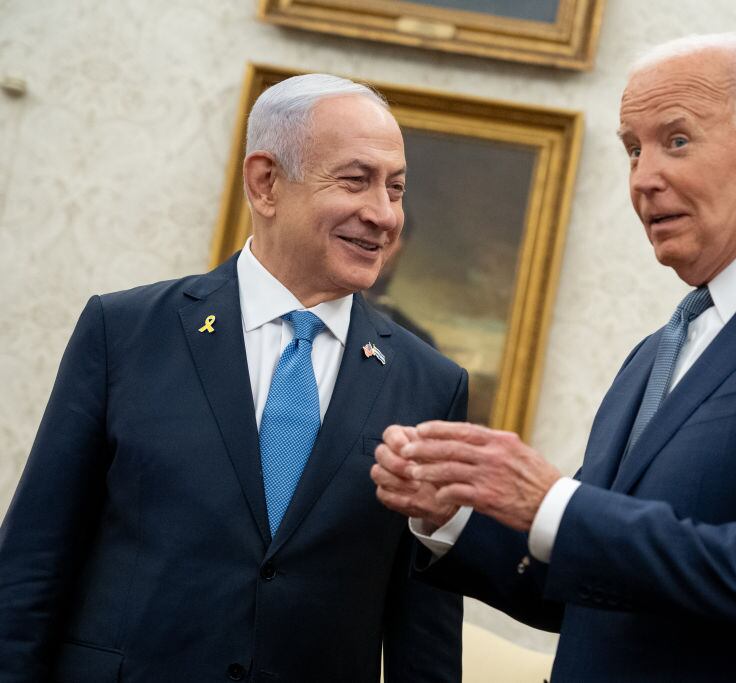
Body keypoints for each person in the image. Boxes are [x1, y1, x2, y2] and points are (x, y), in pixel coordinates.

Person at [373, 33, 736, 682]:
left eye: (677, 140)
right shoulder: (656, 351)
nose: (644, 178)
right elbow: (580, 588)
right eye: (633, 149)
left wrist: (553, 501)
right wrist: (454, 509)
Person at [0, 74, 466, 682]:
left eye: (396, 189)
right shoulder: (125, 332)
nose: (383, 214)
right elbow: (33, 563)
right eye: (356, 181)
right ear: (266, 183)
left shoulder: (430, 383)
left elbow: (423, 631)